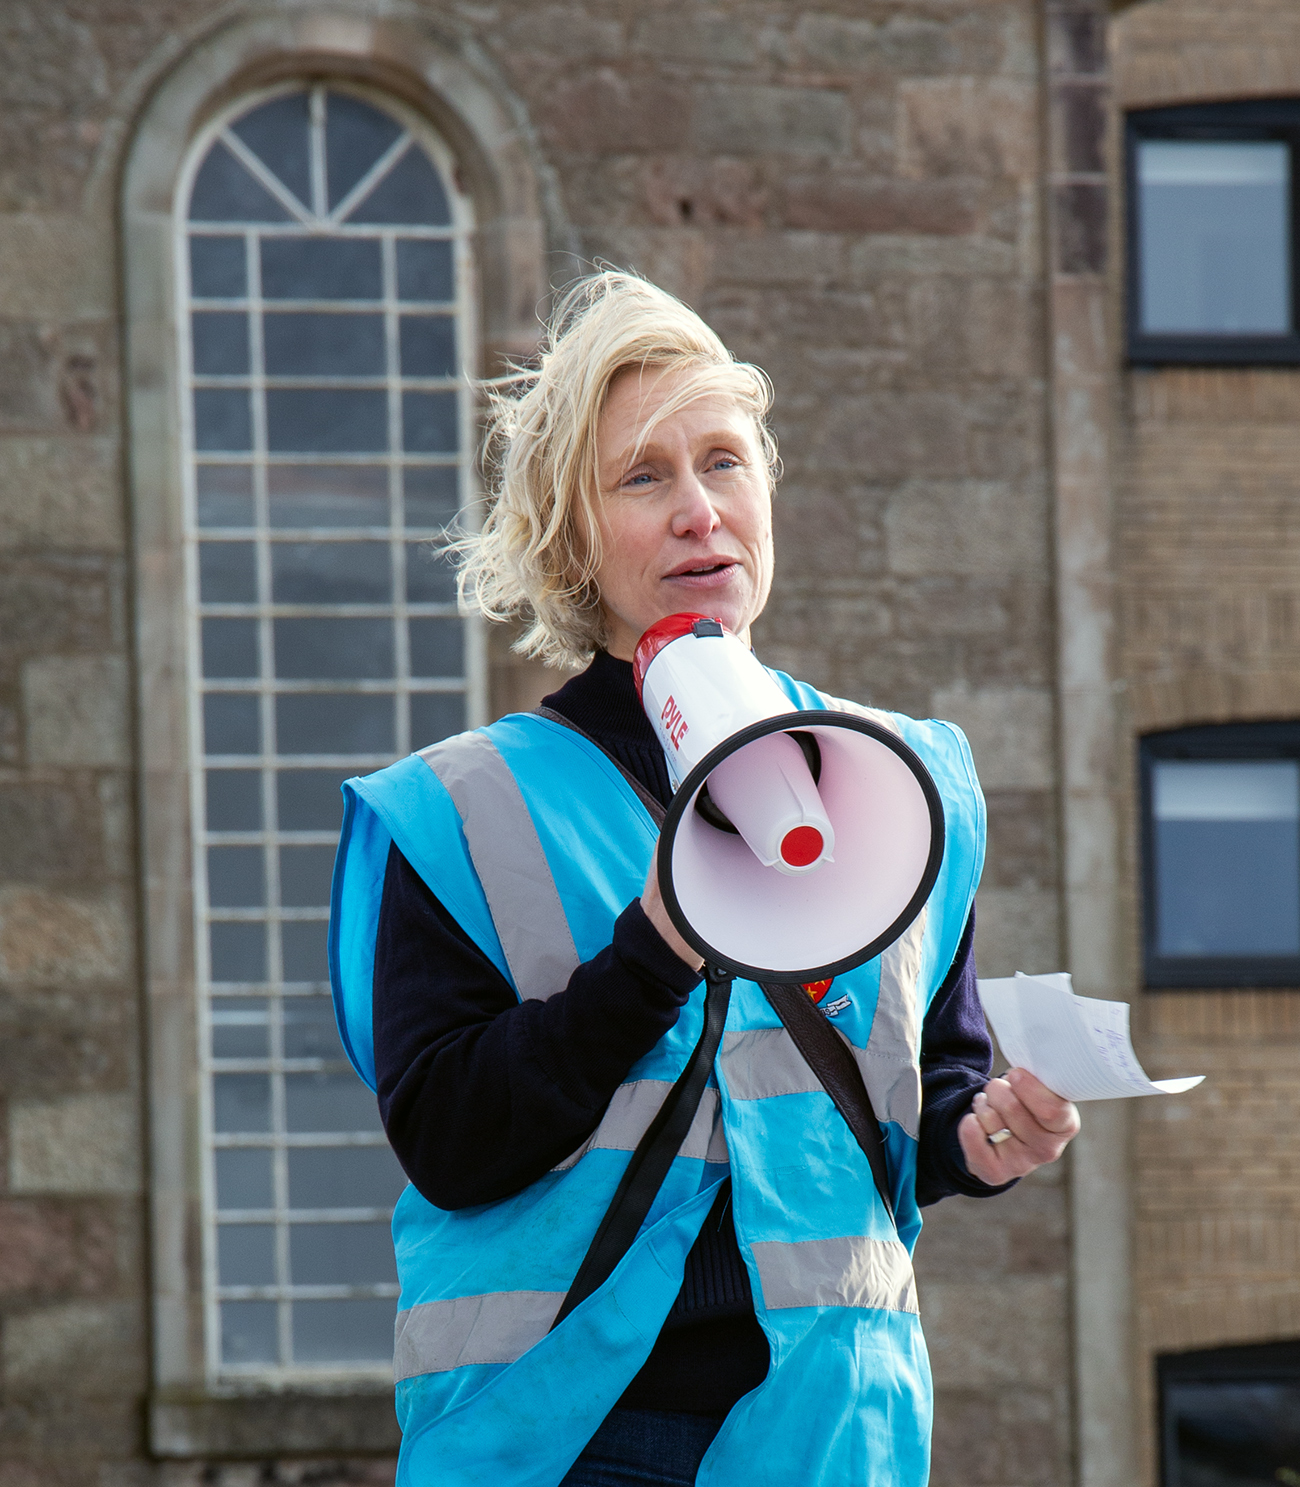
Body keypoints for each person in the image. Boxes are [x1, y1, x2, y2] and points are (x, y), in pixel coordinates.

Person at [329, 272, 1080, 1487]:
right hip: (563, 1431)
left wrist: (980, 1135)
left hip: (832, 1423)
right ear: (570, 537)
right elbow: (453, 1140)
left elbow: (924, 1083)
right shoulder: (456, 808)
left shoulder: (911, 781)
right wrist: (654, 950)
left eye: (724, 462)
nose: (699, 511)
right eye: (644, 477)